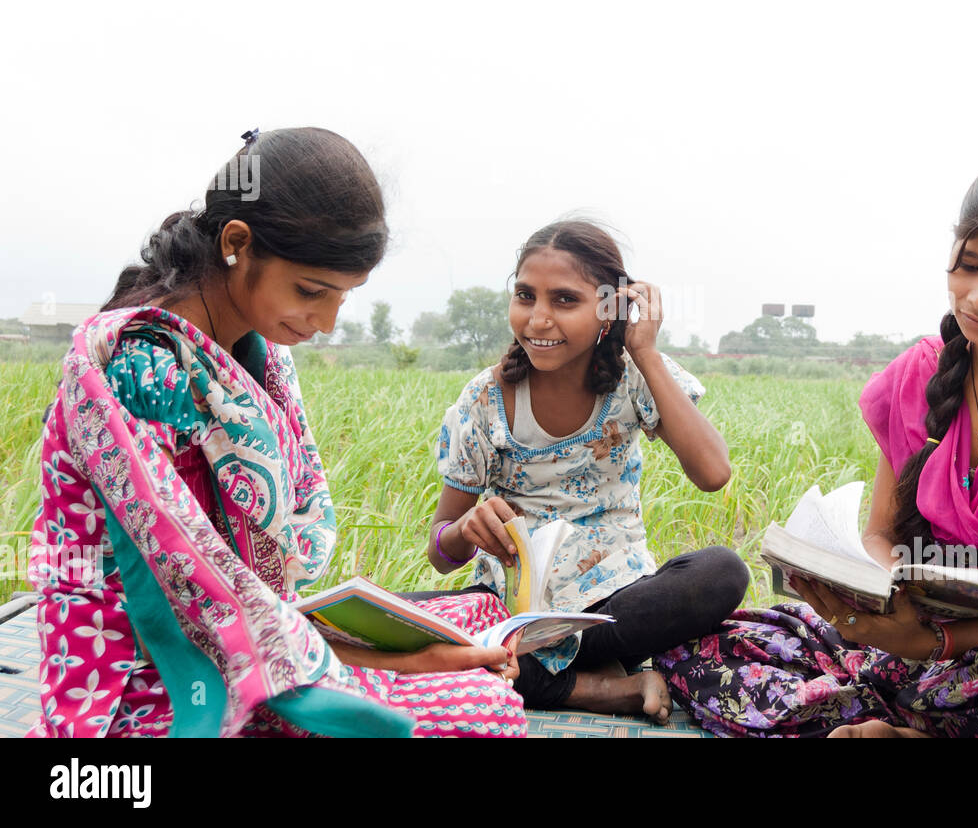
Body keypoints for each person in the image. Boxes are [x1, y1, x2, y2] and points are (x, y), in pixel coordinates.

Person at [29, 127, 526, 738]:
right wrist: (405, 661)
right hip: (157, 676)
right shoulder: (147, 368)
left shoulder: (248, 350)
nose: (325, 321)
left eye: (343, 297)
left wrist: (389, 655)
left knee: (481, 615)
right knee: (483, 710)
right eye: (312, 292)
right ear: (237, 243)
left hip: (253, 629)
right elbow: (195, 598)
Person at [655, 161, 978, 737]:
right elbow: (881, 535)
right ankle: (907, 715)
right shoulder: (917, 378)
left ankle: (880, 716)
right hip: (905, 637)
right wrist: (879, 604)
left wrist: (934, 642)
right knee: (701, 646)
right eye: (969, 267)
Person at [428, 220, 750, 721]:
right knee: (370, 629)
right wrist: (464, 531)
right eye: (525, 295)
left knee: (721, 573)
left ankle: (527, 673)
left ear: (609, 309)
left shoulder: (632, 377)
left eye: (563, 300)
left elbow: (713, 472)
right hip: (509, 612)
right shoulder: (483, 400)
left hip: (610, 608)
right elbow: (441, 553)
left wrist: (642, 349)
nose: (537, 319)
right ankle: (594, 688)